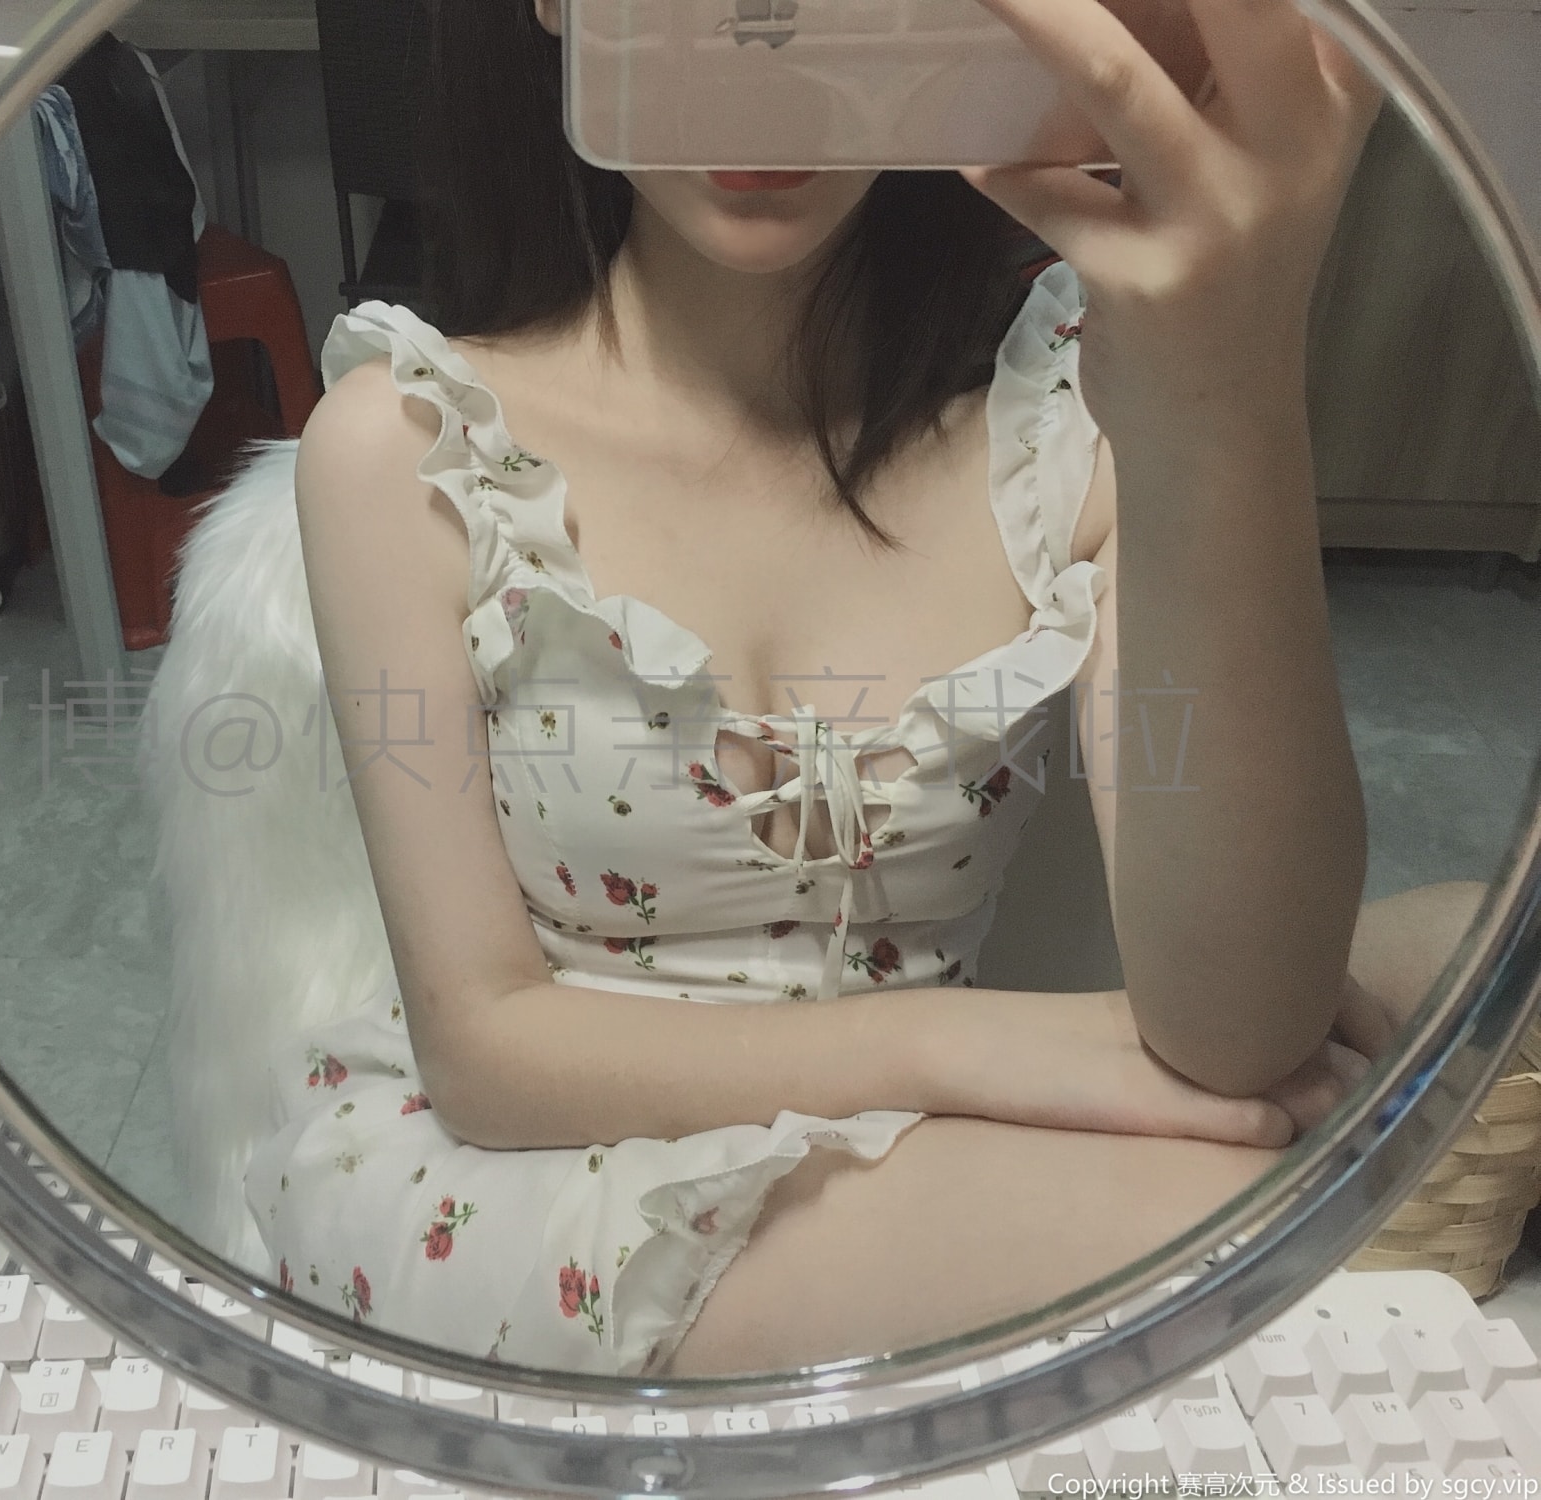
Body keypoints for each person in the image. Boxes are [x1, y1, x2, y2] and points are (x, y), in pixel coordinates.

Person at [234, 0, 1466, 1378]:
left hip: (914, 1156)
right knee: (1259, 1213)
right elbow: (486, 1051)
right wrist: (972, 1045)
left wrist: (1225, 386)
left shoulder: (1069, 415)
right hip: (532, 1180)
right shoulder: (414, 445)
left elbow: (1239, 1036)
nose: (767, 59)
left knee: (1410, 1021)